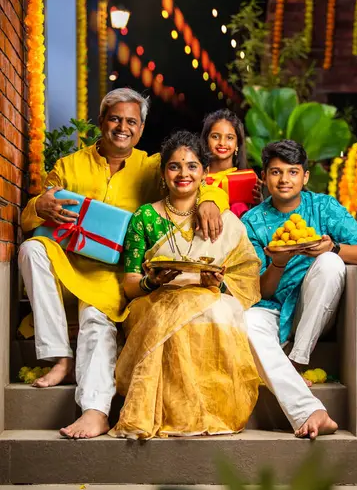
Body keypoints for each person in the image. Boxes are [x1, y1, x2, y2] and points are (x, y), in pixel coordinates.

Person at [18, 88, 228, 440]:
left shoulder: (149, 167)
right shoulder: (69, 166)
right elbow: (35, 212)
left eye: (132, 121)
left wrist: (210, 201)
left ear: (142, 128)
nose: (122, 127)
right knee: (31, 249)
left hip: (117, 276)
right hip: (72, 267)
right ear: (101, 122)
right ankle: (59, 357)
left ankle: (95, 411)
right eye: (115, 118)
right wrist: (40, 206)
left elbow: (190, 175)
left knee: (94, 318)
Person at [108, 131, 261, 439]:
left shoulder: (220, 219)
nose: (183, 174)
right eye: (174, 166)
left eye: (192, 166)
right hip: (154, 300)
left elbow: (243, 275)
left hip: (206, 296)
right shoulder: (145, 218)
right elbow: (130, 285)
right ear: (164, 173)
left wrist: (216, 283)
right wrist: (153, 282)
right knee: (170, 315)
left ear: (204, 172)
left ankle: (213, 410)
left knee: (219, 310)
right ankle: (175, 414)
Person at [242, 139, 357, 439]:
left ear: (305, 177)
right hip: (273, 308)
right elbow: (259, 293)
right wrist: (277, 264)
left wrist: (333, 247)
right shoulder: (251, 222)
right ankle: (309, 411)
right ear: (264, 177)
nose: (284, 180)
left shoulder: (323, 207)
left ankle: (295, 361)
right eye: (276, 172)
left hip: (315, 308)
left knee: (330, 263)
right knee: (247, 321)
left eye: (293, 172)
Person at [201, 109, 262, 217]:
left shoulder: (249, 180)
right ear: (206, 140)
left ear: (237, 143)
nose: (222, 143)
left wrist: (260, 203)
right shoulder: (196, 176)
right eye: (215, 136)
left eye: (229, 137)